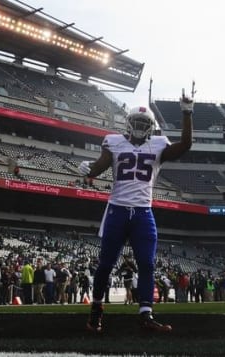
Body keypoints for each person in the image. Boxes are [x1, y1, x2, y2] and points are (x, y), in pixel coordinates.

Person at [80, 93, 193, 333]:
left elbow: (185, 145)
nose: (141, 127)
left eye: (145, 124)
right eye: (137, 123)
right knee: (105, 264)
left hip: (143, 211)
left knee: (147, 264)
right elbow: (99, 167)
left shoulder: (160, 144)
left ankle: (145, 313)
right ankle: (96, 309)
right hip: (117, 208)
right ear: (128, 123)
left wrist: (187, 113)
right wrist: (88, 169)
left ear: (151, 127)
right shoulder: (113, 141)